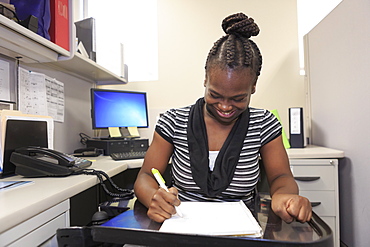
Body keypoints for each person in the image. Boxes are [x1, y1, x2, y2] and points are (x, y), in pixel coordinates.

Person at [134, 12, 312, 224]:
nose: (225, 107)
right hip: (182, 223)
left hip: (241, 229)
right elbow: (145, 176)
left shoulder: (264, 124)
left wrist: (284, 196)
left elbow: (280, 177)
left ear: (253, 86)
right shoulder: (173, 121)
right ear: (205, 79)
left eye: (238, 98)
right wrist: (154, 198)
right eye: (215, 95)